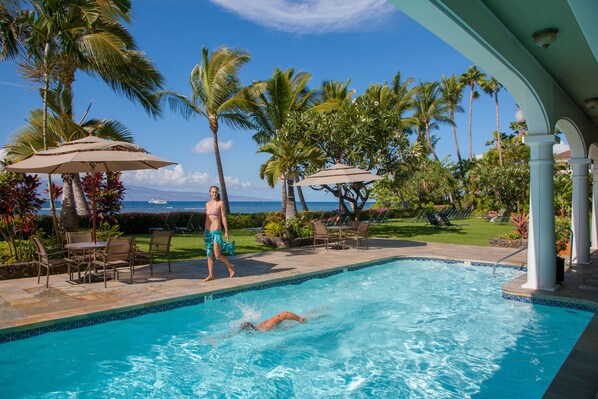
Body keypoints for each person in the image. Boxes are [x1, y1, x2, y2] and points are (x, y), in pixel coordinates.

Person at [203, 185, 235, 281]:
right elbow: (206, 219)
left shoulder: (220, 203)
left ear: (218, 193)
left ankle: (230, 267)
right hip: (208, 231)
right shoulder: (207, 204)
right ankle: (211, 275)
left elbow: (224, 217)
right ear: (209, 192)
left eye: (216, 192)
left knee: (217, 255)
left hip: (216, 231)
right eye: (212, 192)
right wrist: (204, 232)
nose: (214, 194)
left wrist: (226, 231)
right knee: (209, 254)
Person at [240, 311, 306, 331]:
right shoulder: (256, 330)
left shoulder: (267, 326)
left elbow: (285, 314)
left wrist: (300, 319)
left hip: (294, 322)